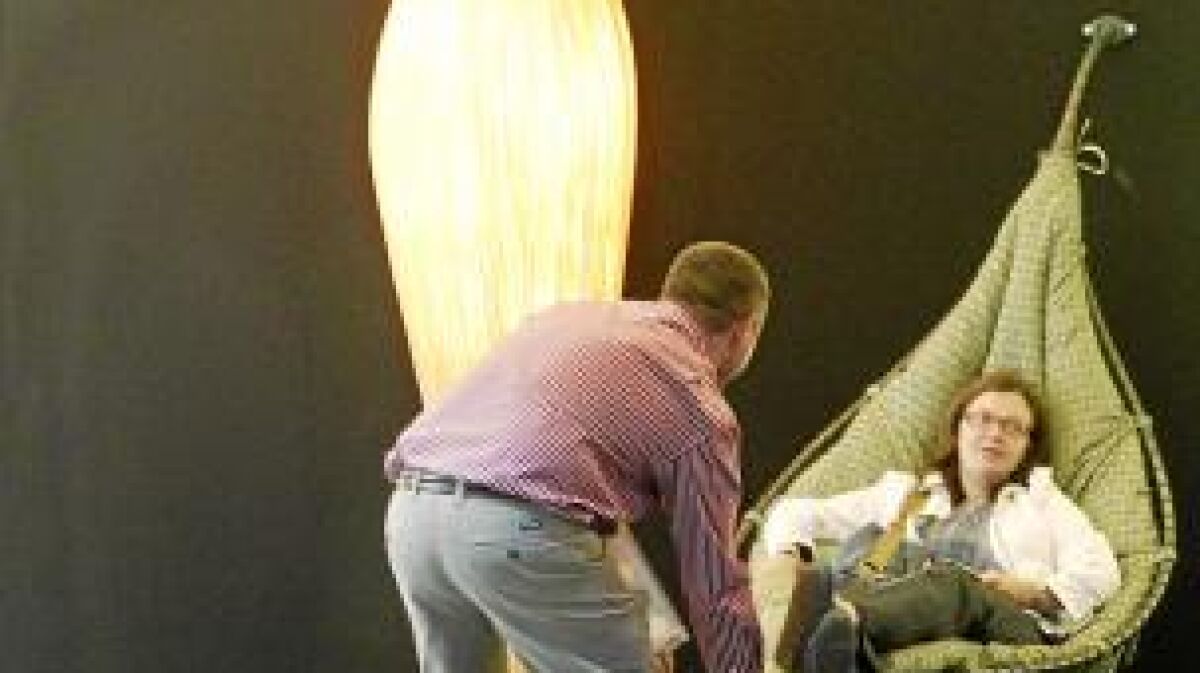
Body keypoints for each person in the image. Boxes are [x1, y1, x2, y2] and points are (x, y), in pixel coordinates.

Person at [383, 241, 770, 673]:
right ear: (744, 331)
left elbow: (578, 499)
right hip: (514, 525)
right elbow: (714, 589)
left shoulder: (570, 317)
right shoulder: (699, 409)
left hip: (413, 514)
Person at [761, 370, 1121, 673]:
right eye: (983, 419)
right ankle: (839, 640)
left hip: (1002, 618)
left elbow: (1102, 571)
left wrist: (1033, 592)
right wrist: (791, 555)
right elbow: (795, 511)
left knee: (952, 581)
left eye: (1013, 427)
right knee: (874, 541)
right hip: (900, 608)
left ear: (1028, 446)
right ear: (958, 429)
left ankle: (834, 619)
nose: (995, 433)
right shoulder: (911, 495)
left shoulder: (1041, 502)